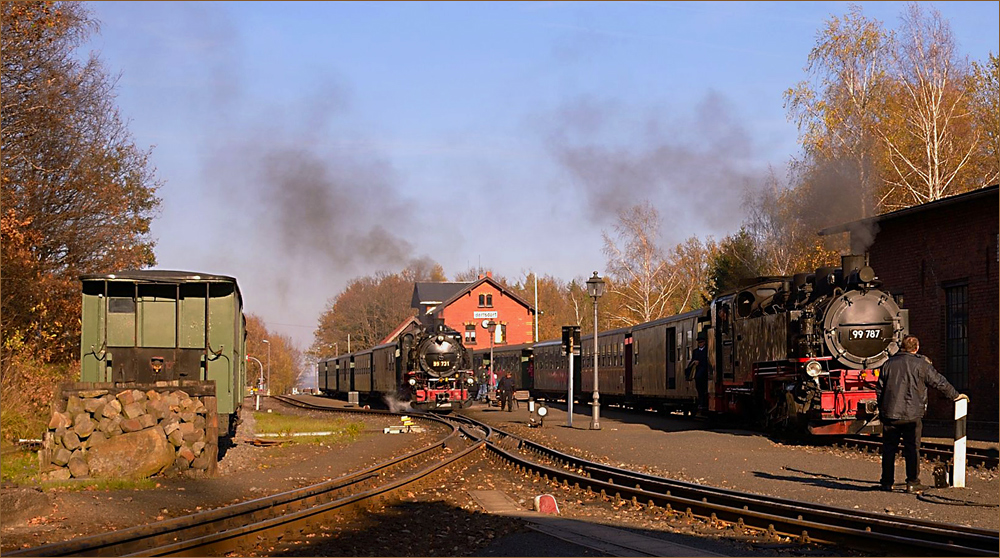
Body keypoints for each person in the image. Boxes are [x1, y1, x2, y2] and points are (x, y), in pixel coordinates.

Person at [876, 334, 967, 493]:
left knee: (889, 449)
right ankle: (912, 482)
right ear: (916, 348)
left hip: (890, 414)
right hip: (912, 415)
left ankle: (886, 482)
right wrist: (955, 396)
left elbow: (879, 390)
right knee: (912, 449)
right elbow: (939, 382)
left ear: (901, 347)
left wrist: (883, 409)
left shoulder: (887, 364)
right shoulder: (922, 365)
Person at [686, 332, 710, 413]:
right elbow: (692, 360)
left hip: (704, 371)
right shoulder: (695, 351)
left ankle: (703, 402)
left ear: (704, 342)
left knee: (703, 387)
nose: (700, 344)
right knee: (699, 388)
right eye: (699, 342)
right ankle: (701, 402)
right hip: (698, 370)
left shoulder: (707, 351)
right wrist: (694, 362)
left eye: (701, 342)